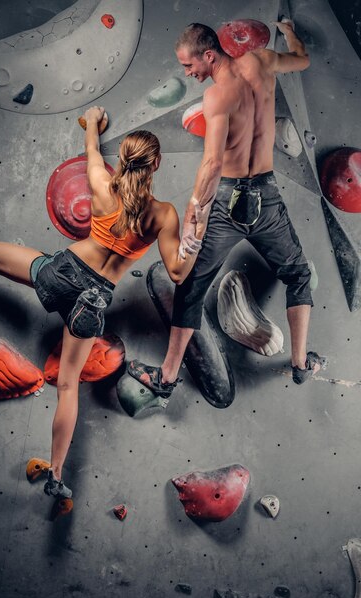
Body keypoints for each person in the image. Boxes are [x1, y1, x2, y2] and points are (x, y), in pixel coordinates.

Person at [0, 106, 207, 500]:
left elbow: (90, 147)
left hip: (60, 275)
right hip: (92, 303)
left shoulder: (103, 186)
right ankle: (56, 476)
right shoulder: (164, 215)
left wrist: (93, 122)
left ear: (122, 161)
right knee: (68, 385)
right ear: (156, 164)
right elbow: (177, 272)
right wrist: (195, 231)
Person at [128, 20, 326, 400]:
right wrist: (289, 32)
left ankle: (166, 380)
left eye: (189, 66)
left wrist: (191, 221)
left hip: (227, 203)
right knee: (298, 274)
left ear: (208, 54)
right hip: (266, 197)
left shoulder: (217, 97)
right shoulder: (263, 62)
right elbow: (302, 59)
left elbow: (213, 164)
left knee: (190, 287)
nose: (188, 73)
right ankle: (300, 364)